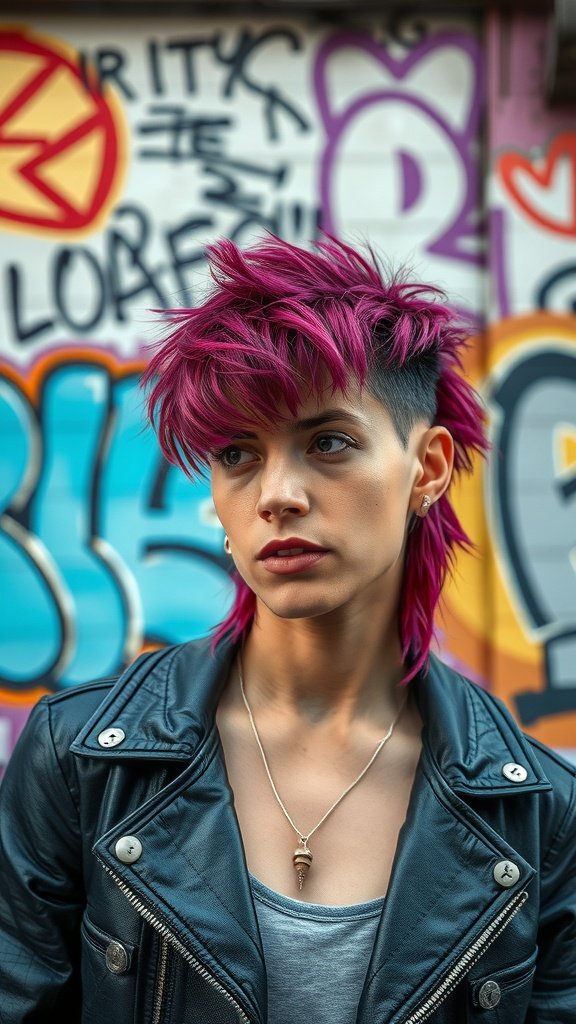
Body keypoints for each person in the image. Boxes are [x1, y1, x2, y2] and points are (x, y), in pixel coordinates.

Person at [0, 235, 574, 1024]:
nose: (276, 494)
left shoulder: (539, 815)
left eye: (328, 442)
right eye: (238, 453)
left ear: (429, 468)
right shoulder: (82, 762)